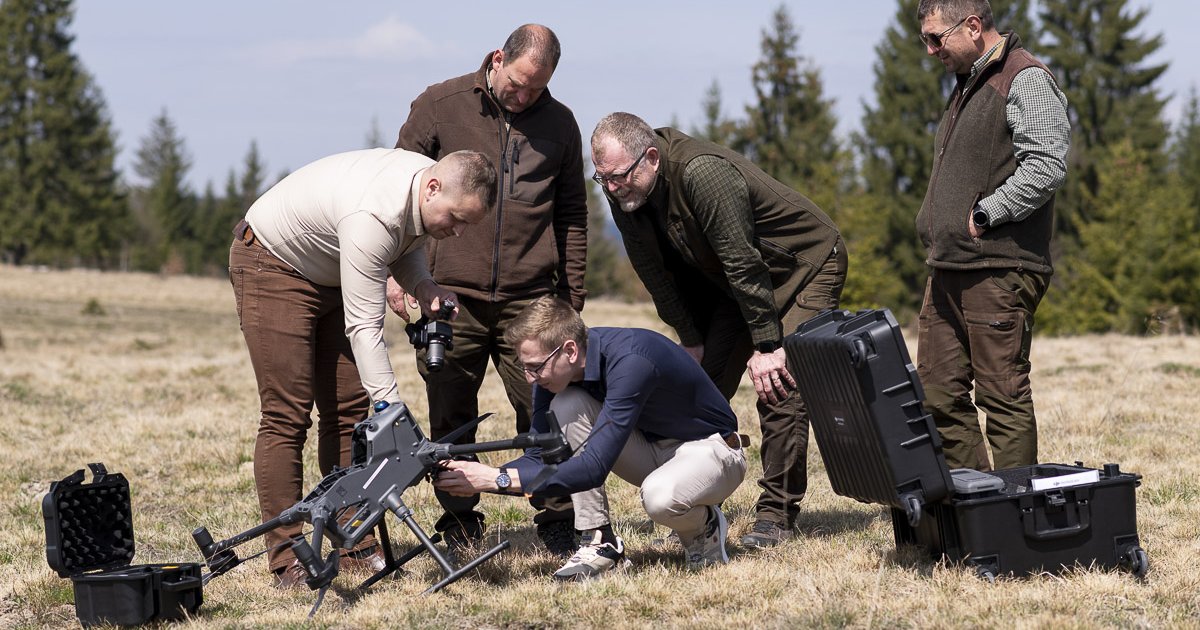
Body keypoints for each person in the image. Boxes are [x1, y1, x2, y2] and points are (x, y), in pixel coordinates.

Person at [228, 148, 496, 587]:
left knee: (350, 413)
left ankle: (353, 541)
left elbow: (403, 246)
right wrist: (391, 410)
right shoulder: (373, 213)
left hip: (330, 269)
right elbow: (365, 328)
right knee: (287, 414)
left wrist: (424, 285)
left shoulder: (421, 192)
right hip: (273, 265)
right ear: (433, 188)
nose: (458, 231)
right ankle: (287, 557)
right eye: (456, 218)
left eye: (467, 223)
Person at [589, 113, 847, 549]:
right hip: (735, 284)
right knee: (698, 385)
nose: (612, 188)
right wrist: (690, 338)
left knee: (777, 385)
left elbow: (743, 262)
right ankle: (698, 506)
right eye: (603, 178)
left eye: (618, 177)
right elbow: (654, 274)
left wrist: (768, 345)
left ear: (651, 158)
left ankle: (776, 515)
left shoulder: (702, 173)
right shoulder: (627, 191)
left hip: (803, 269)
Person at [388, 23, 588, 556]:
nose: (525, 97)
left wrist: (571, 297)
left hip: (531, 299)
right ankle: (459, 521)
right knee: (451, 414)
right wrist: (394, 272)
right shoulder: (440, 105)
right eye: (518, 84)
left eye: (538, 88)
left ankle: (557, 517)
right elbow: (397, 190)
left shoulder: (561, 125)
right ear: (498, 59)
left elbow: (572, 213)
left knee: (546, 409)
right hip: (447, 293)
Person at [432, 296, 747, 580]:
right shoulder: (554, 377)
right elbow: (539, 455)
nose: (529, 378)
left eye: (535, 367)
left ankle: (704, 526)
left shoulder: (631, 360)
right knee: (567, 404)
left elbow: (593, 468)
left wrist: (496, 479)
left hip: (713, 451)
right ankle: (599, 541)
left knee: (659, 498)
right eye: (524, 367)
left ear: (569, 350)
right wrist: (477, 475)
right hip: (653, 451)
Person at [915, 0, 1069, 471]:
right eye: (925, 39)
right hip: (949, 265)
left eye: (936, 38)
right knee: (937, 394)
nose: (930, 50)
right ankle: (979, 502)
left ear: (973, 26)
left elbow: (1046, 164)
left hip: (999, 266)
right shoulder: (968, 84)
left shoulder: (1024, 77)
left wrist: (985, 215)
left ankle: (1017, 508)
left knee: (1002, 396)